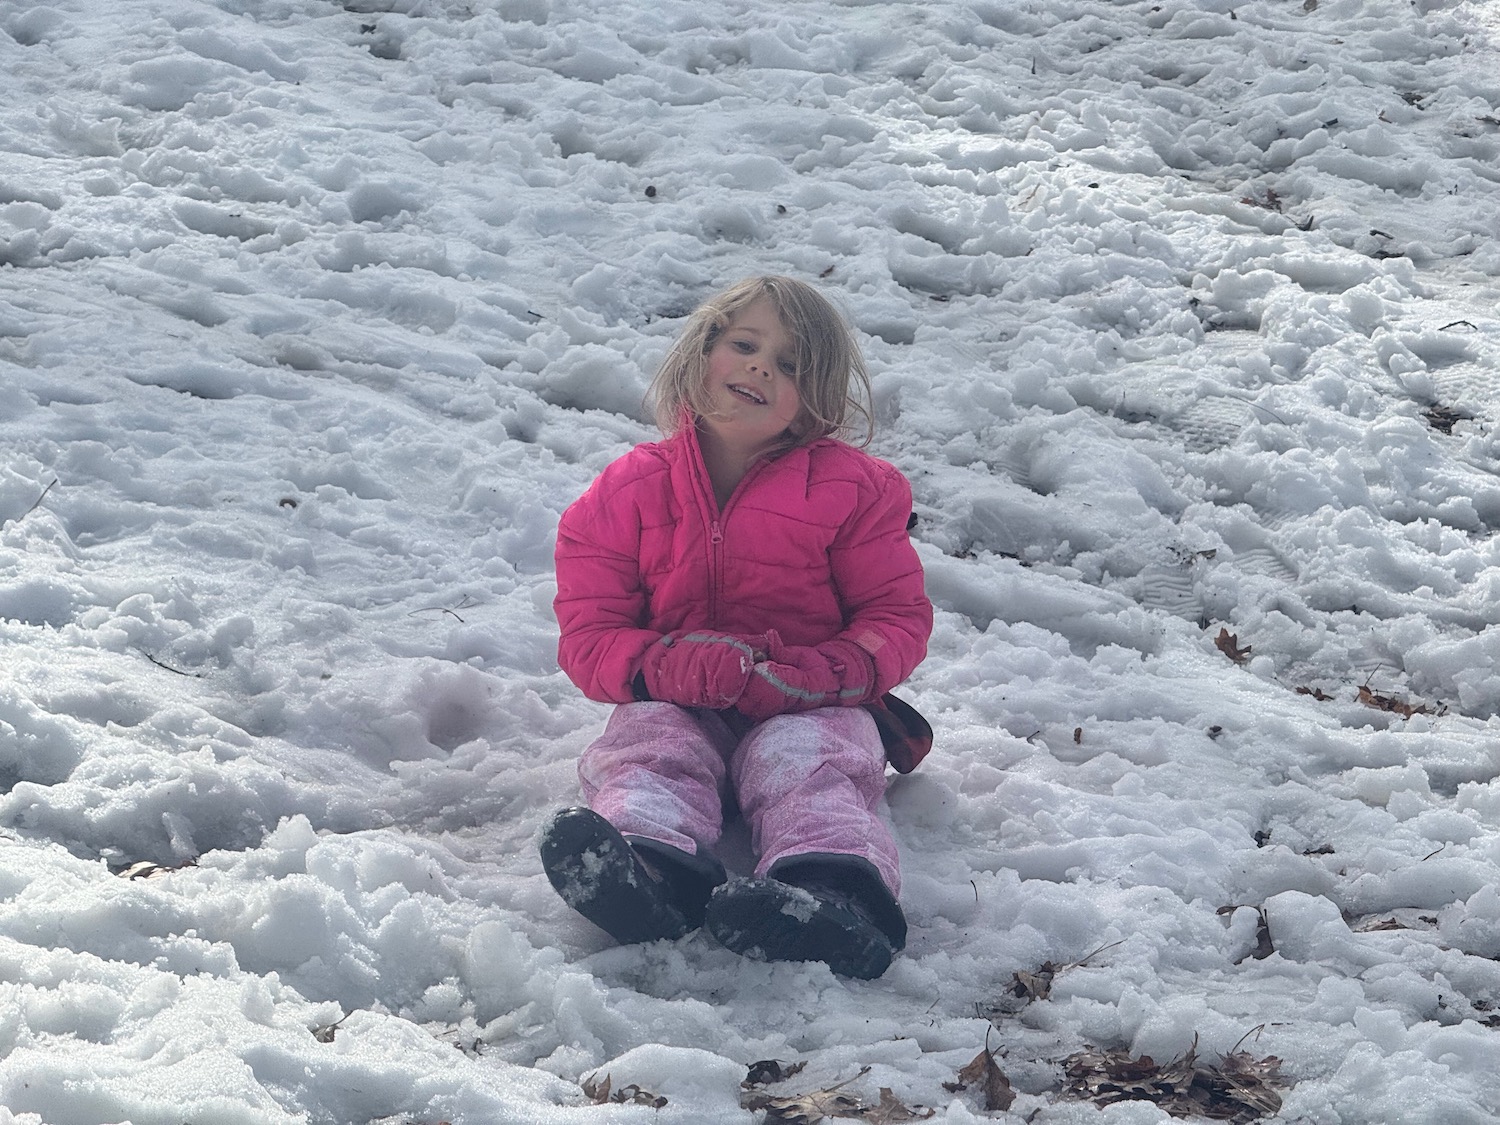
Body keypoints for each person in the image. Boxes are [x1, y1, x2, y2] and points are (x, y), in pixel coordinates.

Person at [540, 275, 933, 979]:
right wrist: (664, 665)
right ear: (701, 353)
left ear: (814, 399)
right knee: (648, 741)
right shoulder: (624, 495)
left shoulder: (855, 494)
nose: (760, 368)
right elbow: (590, 633)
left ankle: (835, 893)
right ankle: (647, 867)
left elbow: (895, 616)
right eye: (745, 345)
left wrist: (827, 673)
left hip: (809, 702)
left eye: (789, 365)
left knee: (810, 760)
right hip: (681, 697)